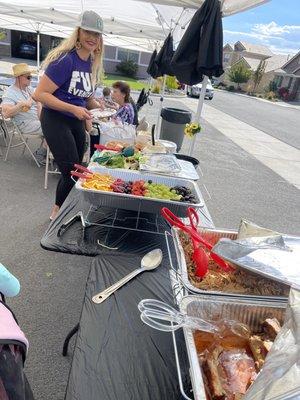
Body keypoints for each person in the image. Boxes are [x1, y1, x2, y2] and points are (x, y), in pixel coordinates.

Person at [33, 10, 104, 221]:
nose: (92, 37)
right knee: (73, 170)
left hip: (76, 120)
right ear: (79, 32)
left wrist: (98, 105)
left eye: (97, 34)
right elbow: (40, 94)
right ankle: (61, 212)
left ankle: (57, 209)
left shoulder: (91, 63)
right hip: (55, 118)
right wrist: (73, 109)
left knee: (77, 169)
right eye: (88, 32)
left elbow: (84, 97)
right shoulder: (65, 60)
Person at [1, 63, 47, 165]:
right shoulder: (10, 93)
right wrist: (20, 105)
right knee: (54, 128)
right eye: (28, 77)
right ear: (18, 78)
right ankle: (41, 153)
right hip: (24, 124)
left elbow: (39, 104)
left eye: (31, 77)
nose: (31, 79)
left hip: (36, 121)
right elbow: (6, 114)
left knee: (58, 123)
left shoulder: (29, 89)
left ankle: (50, 153)